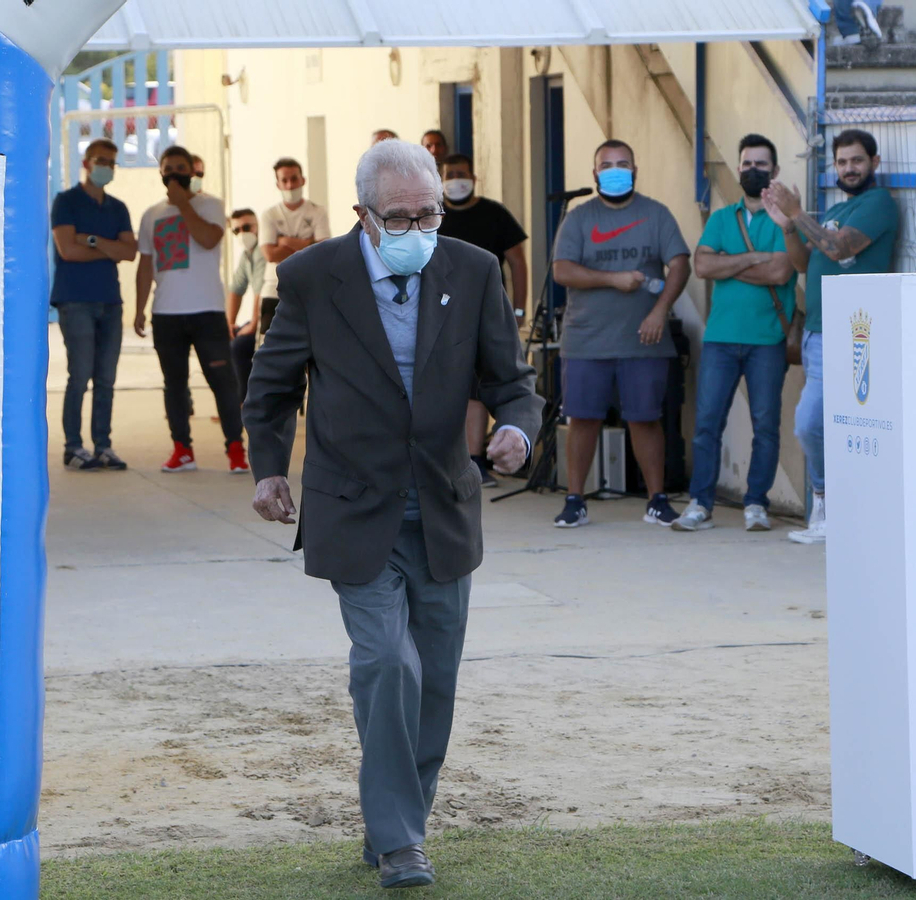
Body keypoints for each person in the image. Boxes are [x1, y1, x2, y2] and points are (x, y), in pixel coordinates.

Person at [243, 139, 542, 890]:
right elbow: (272, 387)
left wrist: (516, 430)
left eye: (430, 214)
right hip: (355, 505)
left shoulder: (471, 271)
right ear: (363, 216)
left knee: (432, 684)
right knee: (386, 662)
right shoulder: (312, 277)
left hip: (442, 505)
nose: (418, 229)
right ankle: (402, 840)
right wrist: (270, 468)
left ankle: (394, 825)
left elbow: (513, 381)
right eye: (401, 217)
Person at [761, 128, 899, 544]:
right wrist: (788, 226)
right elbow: (805, 262)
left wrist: (799, 212)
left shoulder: (878, 205)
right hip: (818, 332)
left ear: (874, 163)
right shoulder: (842, 207)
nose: (849, 168)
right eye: (841, 162)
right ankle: (829, 511)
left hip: (853, 336)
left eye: (857, 160)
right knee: (822, 424)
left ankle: (827, 501)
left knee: (810, 424)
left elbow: (839, 249)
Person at [551, 139, 692, 528]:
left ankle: (657, 500)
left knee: (646, 419)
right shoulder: (579, 218)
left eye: (623, 163)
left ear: (635, 169)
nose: (615, 169)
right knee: (582, 419)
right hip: (586, 339)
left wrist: (660, 311)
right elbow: (562, 270)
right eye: (607, 164)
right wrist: (612, 279)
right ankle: (575, 500)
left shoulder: (656, 214)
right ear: (595, 174)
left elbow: (680, 264)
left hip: (644, 339)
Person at [679, 135, 798, 532]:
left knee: (766, 426)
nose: (752, 171)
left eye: (761, 164)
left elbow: (781, 271)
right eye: (746, 164)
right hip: (720, 338)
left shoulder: (784, 220)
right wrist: (753, 259)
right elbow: (701, 267)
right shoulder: (720, 218)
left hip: (768, 339)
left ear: (775, 172)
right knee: (708, 423)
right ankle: (700, 503)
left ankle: (756, 504)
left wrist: (727, 263)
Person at [134, 145, 249, 474]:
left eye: (180, 168)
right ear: (160, 173)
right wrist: (140, 309)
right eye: (167, 168)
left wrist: (183, 204)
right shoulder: (150, 214)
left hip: (207, 311)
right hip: (166, 313)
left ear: (193, 171)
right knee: (174, 384)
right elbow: (145, 265)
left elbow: (208, 239)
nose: (173, 174)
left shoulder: (211, 204)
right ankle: (182, 449)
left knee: (223, 382)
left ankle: (236, 449)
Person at [437, 153, 529, 487]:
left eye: (461, 174)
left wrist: (518, 310)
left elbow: (517, 261)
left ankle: (474, 460)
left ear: (474, 178)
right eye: (450, 174)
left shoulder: (494, 214)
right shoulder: (432, 214)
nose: (456, 180)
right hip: (439, 315)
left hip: (484, 315)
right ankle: (451, 459)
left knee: (477, 389)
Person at [49, 138, 137, 471]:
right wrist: (109, 246)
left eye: (112, 162)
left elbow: (130, 252)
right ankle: (73, 446)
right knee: (80, 375)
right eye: (101, 161)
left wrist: (91, 239)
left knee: (106, 378)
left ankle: (103, 445)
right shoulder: (66, 201)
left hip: (110, 302)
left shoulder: (117, 208)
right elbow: (67, 251)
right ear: (86, 163)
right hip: (75, 301)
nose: (107, 168)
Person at [260, 158, 331, 336]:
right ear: (278, 184)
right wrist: (309, 245)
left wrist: (286, 242)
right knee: (270, 345)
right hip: (274, 289)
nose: (290, 185)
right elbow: (270, 254)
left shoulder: (317, 211)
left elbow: (323, 251)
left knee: (313, 344)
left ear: (303, 180)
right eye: (284, 180)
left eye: (294, 179)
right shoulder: (270, 215)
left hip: (310, 288)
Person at [226, 208, 266, 404]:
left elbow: (261, 291)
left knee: (240, 346)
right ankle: (236, 400)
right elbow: (236, 290)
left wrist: (254, 325)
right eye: (237, 230)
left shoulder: (262, 251)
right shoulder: (246, 256)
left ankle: (245, 403)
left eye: (247, 227)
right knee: (230, 340)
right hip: (262, 318)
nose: (242, 233)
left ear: (257, 225)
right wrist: (229, 323)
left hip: (272, 318)